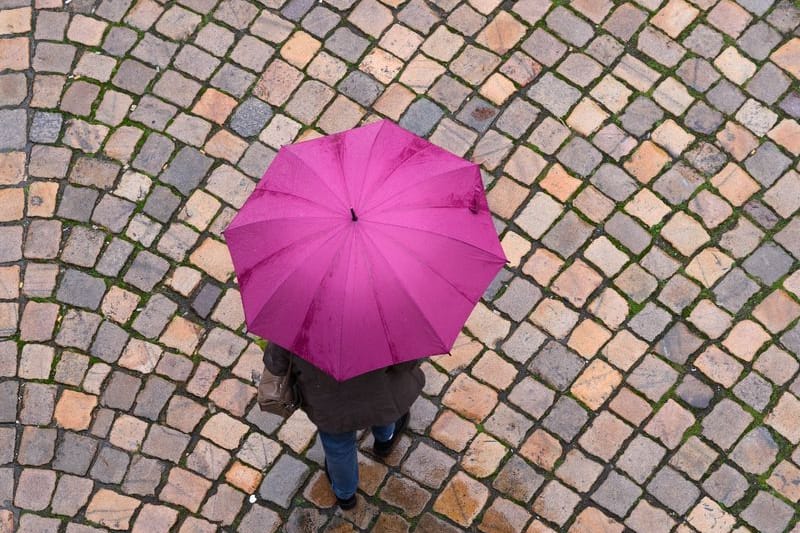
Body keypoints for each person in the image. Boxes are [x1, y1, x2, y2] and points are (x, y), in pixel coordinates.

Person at [263, 342, 425, 510]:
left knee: (338, 449)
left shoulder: (295, 323)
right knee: (385, 416)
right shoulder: (388, 321)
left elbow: (276, 364)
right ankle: (384, 442)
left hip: (330, 408)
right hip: (379, 396)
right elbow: (407, 363)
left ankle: (345, 495)